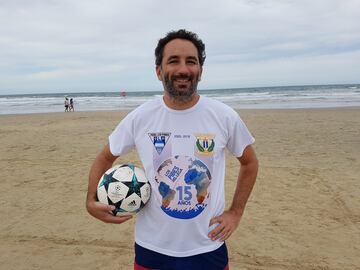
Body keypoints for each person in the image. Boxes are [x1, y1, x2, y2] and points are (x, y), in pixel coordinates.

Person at [86, 29, 259, 270]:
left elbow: (250, 163)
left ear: (200, 70)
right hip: (152, 247)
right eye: (173, 61)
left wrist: (236, 212)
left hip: (208, 245)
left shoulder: (224, 117)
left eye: (191, 61)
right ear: (159, 71)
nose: (183, 69)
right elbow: (106, 156)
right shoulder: (141, 117)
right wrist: (90, 200)